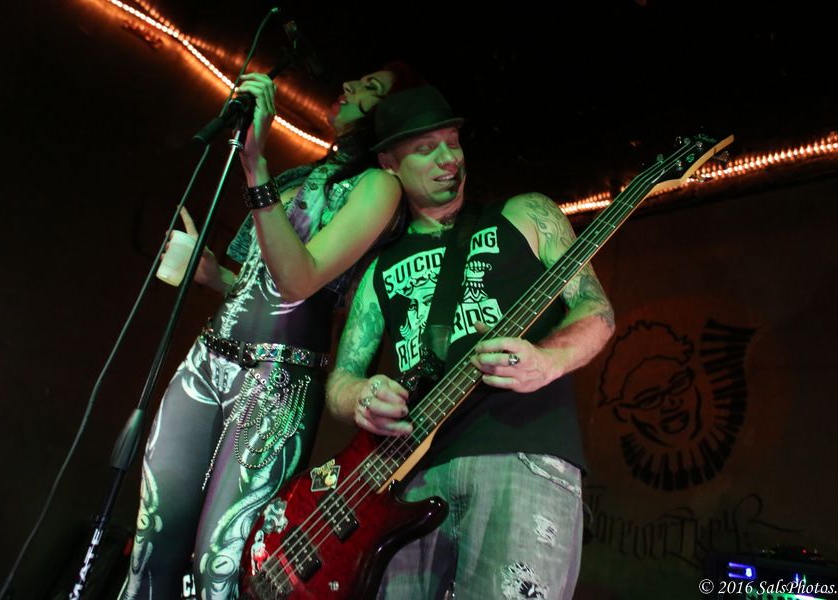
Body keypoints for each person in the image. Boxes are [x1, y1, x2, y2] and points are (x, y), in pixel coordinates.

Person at [119, 62, 424, 600]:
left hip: (277, 381)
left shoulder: (380, 187)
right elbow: (263, 280)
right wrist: (214, 275)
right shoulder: (295, 178)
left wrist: (255, 165)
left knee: (219, 562)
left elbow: (302, 279)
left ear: (390, 116)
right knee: (152, 540)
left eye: (370, 87)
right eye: (357, 78)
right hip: (209, 359)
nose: (349, 84)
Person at [326, 85, 616, 599]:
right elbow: (341, 380)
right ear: (390, 163)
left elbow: (597, 309)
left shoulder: (526, 214)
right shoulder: (377, 269)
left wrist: (547, 360)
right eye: (425, 149)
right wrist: (363, 396)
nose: (448, 159)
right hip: (408, 480)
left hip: (520, 452)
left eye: (453, 142)